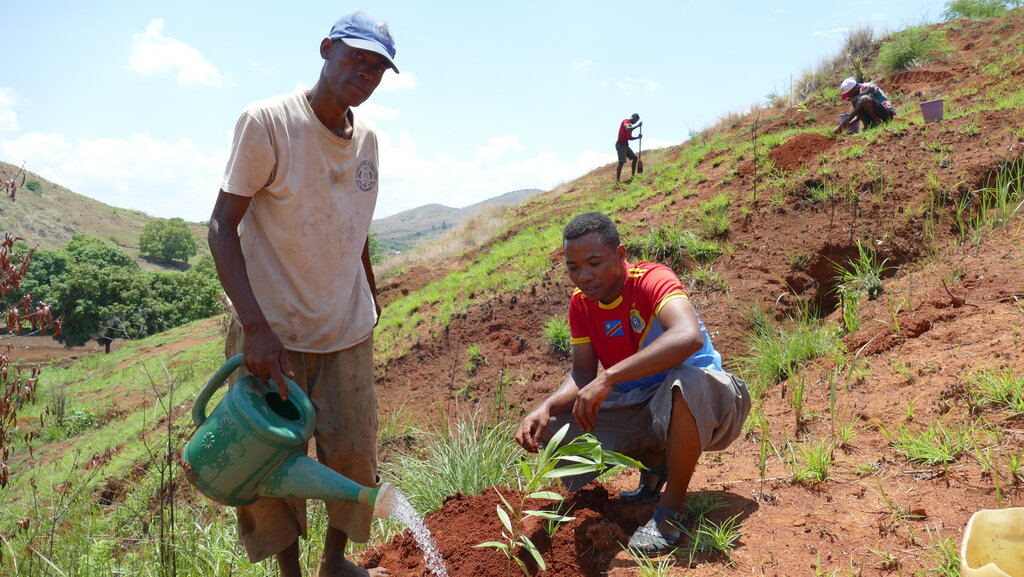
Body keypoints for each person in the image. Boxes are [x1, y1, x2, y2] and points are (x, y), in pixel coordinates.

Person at [207, 11, 398, 577]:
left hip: (346, 327)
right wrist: (256, 329)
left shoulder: (367, 139)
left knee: (353, 455)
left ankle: (335, 564)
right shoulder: (268, 122)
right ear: (326, 49)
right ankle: (289, 572)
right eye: (355, 56)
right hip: (273, 332)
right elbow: (221, 225)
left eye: (377, 66)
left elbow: (354, 222)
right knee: (269, 459)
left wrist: (368, 286)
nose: (364, 72)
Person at [514, 212, 750, 554]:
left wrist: (609, 376)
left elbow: (688, 337)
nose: (584, 275)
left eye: (594, 262)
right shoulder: (582, 304)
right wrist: (546, 406)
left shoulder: (651, 279)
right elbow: (582, 376)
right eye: (573, 267)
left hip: (710, 401)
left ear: (621, 255)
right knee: (555, 425)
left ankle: (670, 513)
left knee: (685, 382)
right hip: (646, 405)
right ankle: (645, 474)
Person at [615, 113, 642, 183]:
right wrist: (638, 126)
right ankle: (617, 181)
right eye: (635, 120)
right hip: (620, 145)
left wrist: (637, 137)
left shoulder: (630, 125)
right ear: (633, 117)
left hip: (625, 145)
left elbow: (629, 137)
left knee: (635, 158)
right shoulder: (626, 121)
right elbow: (628, 129)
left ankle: (633, 177)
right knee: (621, 162)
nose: (635, 122)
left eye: (636, 121)